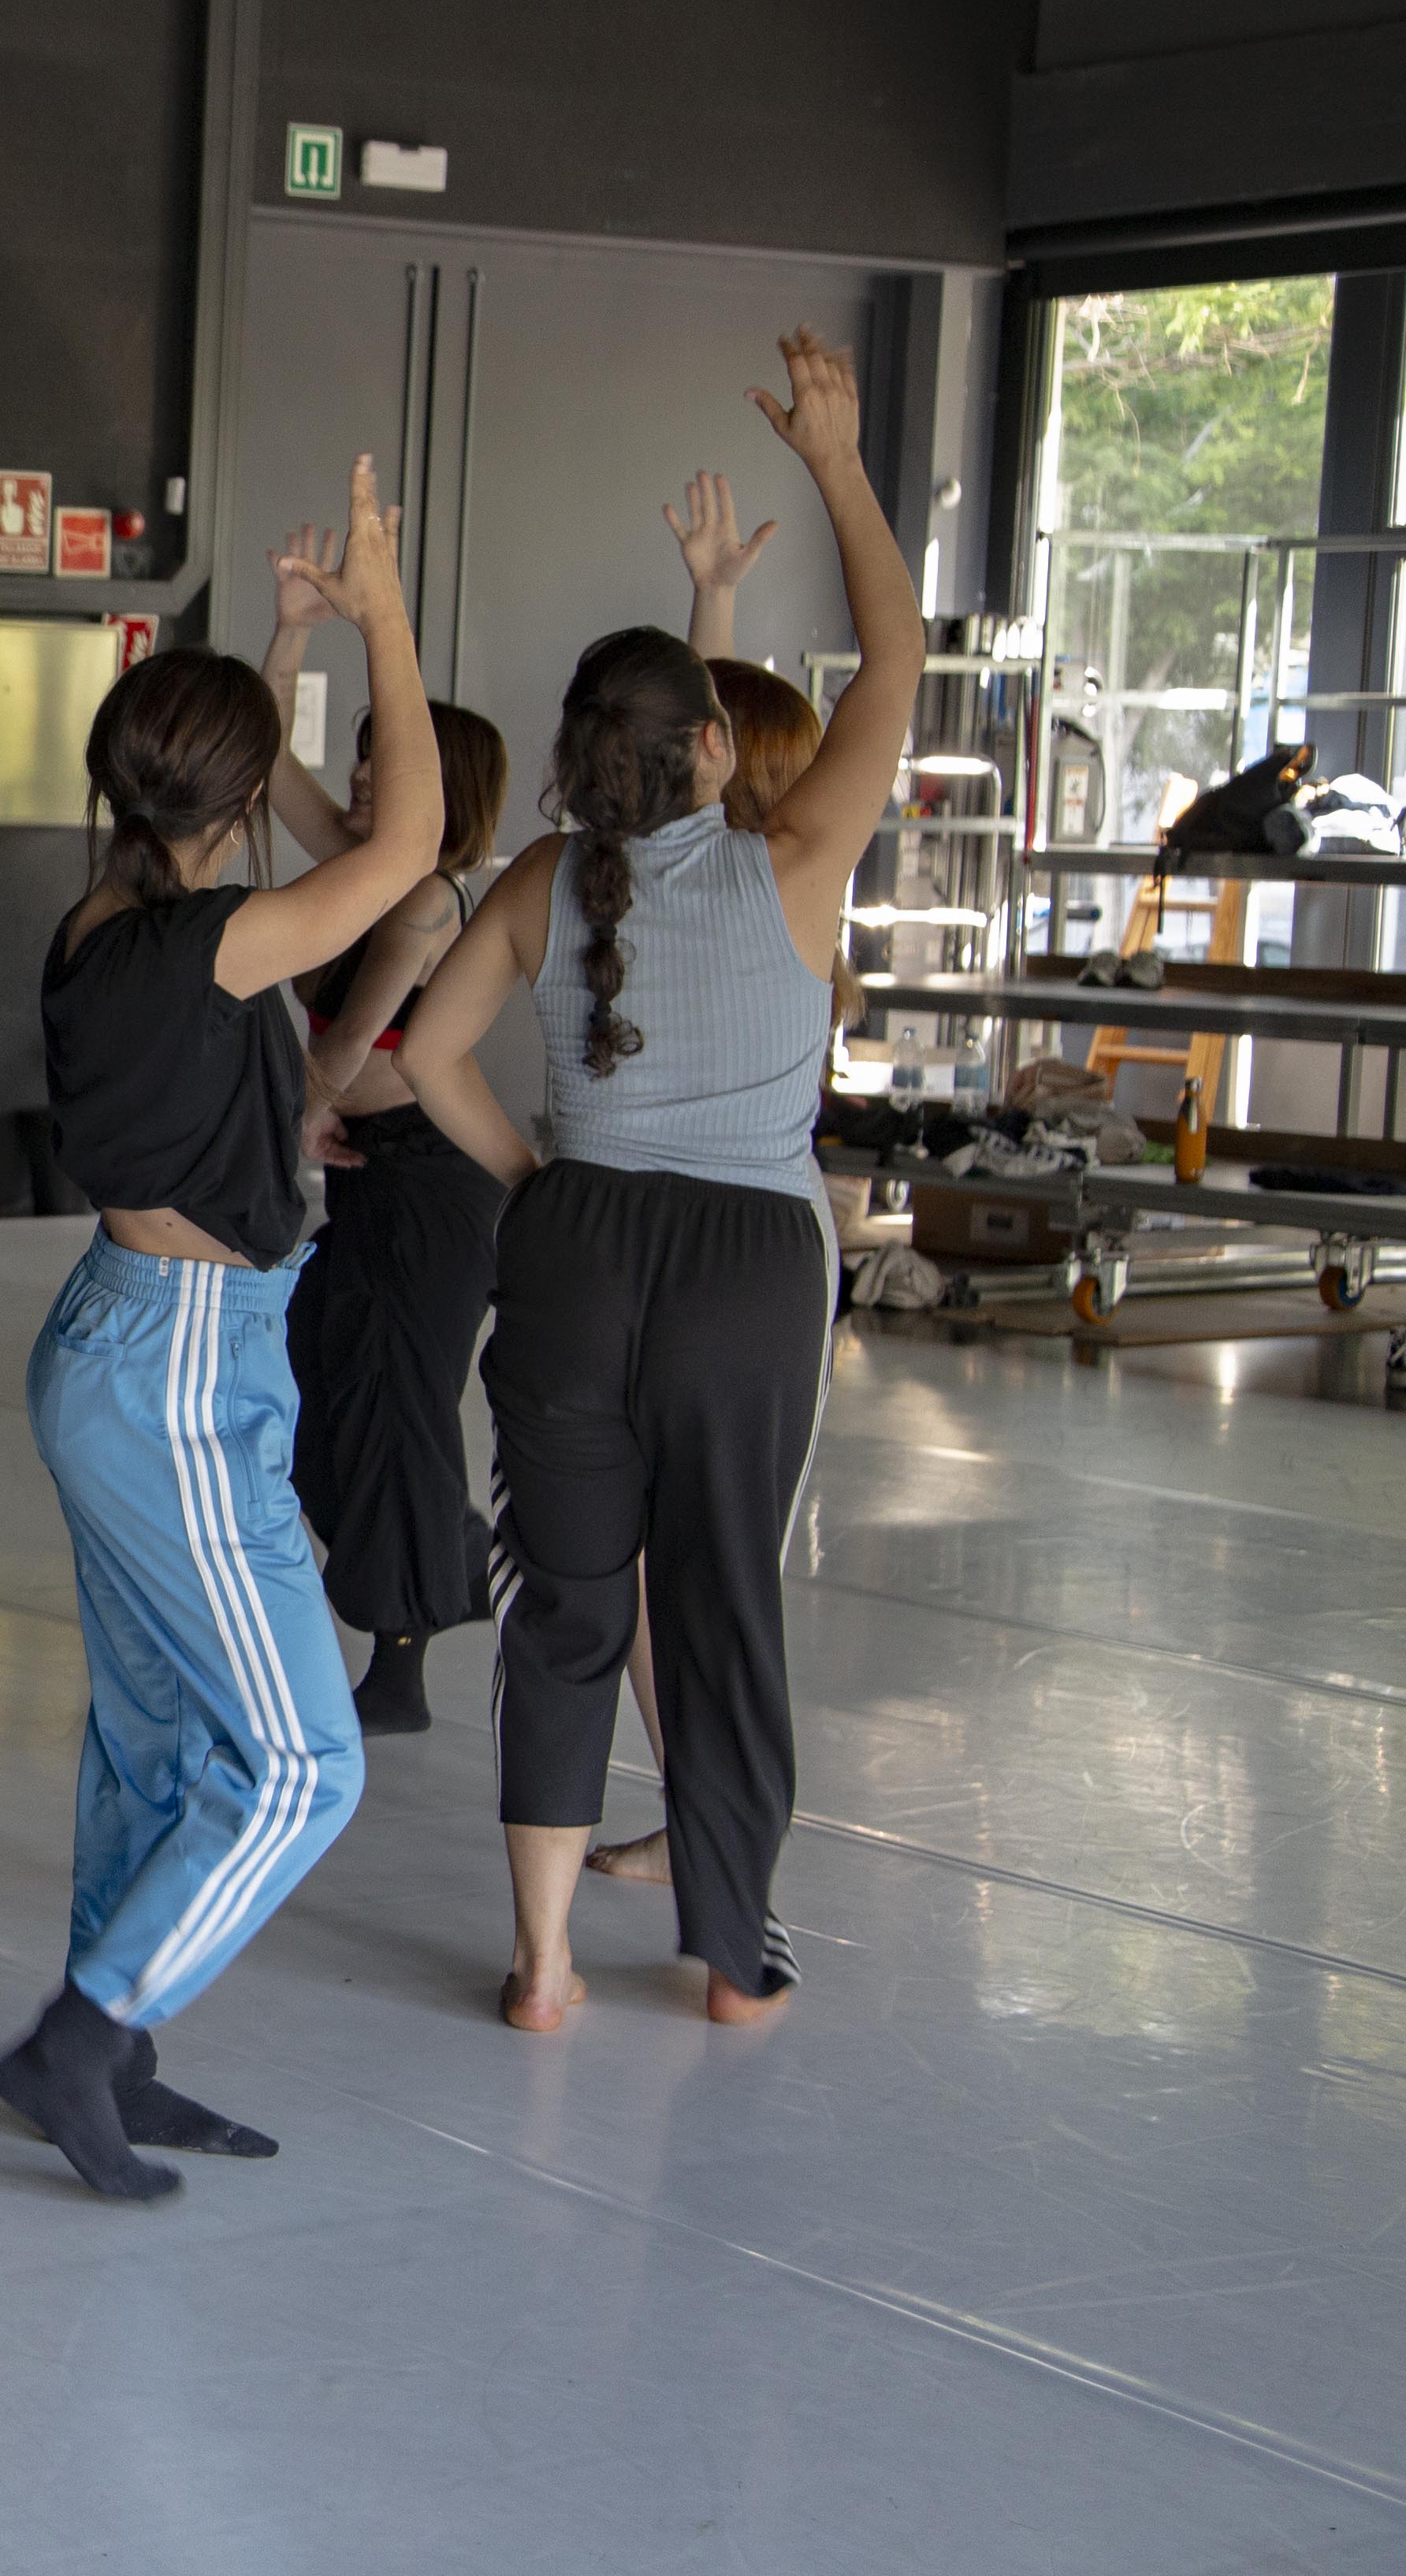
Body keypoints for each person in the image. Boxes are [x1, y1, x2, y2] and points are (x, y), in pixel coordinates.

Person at [395, 329, 924, 2034]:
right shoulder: (798, 862)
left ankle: (543, 1968)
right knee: (720, 1606)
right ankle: (725, 1957)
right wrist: (837, 468)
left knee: (564, 1604)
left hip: (577, 1248)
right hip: (748, 1264)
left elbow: (423, 1057)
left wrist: (544, 1168)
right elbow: (896, 659)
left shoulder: (550, 874)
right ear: (715, 748)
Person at [0, 455, 437, 2202]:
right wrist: (386, 614)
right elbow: (406, 849)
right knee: (305, 1764)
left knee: (164, 1729)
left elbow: (218, 808)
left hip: (131, 1340)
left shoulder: (111, 917)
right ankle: (85, 2035)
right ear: (237, 805)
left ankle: (125, 2050)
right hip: (176, 1360)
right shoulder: (217, 945)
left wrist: (284, 639)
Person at [589, 533, 854, 1887]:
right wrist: (712, 594)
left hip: (753, 1255)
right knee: (640, 1563)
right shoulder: (698, 880)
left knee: (711, 1559)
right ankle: (702, 1802)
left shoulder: (777, 893)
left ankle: (728, 1823)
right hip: (673, 1247)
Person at [254, 536, 515, 1733]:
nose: (360, 788)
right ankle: (452, 1547)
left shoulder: (425, 897)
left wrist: (291, 1108)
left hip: (430, 1187)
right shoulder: (365, 869)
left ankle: (398, 1668)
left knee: (400, 1411)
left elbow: (353, 1046)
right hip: (367, 1186)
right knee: (310, 1379)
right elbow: (262, 770)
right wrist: (296, 627)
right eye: (359, 768)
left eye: (382, 771)